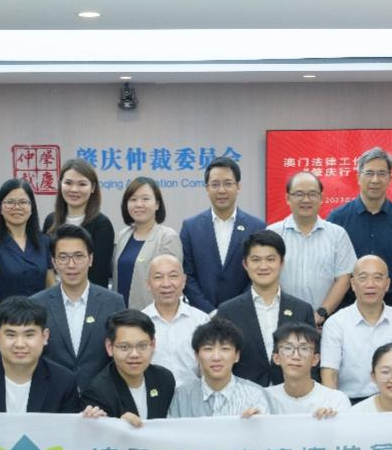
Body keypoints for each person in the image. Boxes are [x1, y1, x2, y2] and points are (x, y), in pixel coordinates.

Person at [320, 256, 392, 403]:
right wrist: (333, 409)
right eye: (363, 278)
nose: (370, 284)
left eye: (377, 278)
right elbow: (330, 373)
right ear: (353, 284)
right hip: (351, 404)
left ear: (387, 284)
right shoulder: (335, 323)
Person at [30, 225, 127, 393]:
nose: (71, 264)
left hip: (101, 396)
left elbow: (120, 353)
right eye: (63, 257)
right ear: (54, 262)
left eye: (78, 256)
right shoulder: (36, 304)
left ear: (91, 259)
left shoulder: (113, 302)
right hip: (53, 396)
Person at [0, 297, 81, 415]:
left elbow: (69, 431)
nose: (20, 344)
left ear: (45, 336)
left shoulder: (63, 381)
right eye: (11, 335)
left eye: (29, 335)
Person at [215, 230, 315, 387]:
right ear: (245, 264)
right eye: (256, 260)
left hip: (292, 394)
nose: (263, 266)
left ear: (281, 263)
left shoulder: (302, 310)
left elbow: (311, 361)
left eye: (270, 259)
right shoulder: (227, 311)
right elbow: (220, 359)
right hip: (243, 395)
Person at [326, 147, 392, 308]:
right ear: (358, 177)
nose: (375, 180)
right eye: (369, 173)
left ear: (390, 178)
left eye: (381, 174)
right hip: (346, 308)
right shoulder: (337, 218)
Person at [266, 171, 356, 326]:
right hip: (280, 322)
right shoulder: (273, 233)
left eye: (312, 194)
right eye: (299, 194)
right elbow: (265, 277)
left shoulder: (337, 234)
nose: (306, 200)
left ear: (321, 198)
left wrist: (321, 313)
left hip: (326, 323)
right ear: (288, 198)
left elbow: (343, 279)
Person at [179, 156, 266, 311]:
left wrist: (234, 310)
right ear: (207, 188)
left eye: (227, 183)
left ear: (238, 186)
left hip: (244, 314)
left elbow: (259, 274)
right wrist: (210, 312)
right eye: (215, 184)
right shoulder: (190, 227)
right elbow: (187, 275)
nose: (221, 190)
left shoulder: (256, 227)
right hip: (201, 315)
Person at [81, 309, 177, 425]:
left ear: (153, 345)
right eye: (124, 347)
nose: (134, 354)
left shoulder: (164, 379)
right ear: (110, 347)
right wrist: (119, 425)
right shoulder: (98, 392)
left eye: (142, 346)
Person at [167, 318, 271, 418]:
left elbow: (267, 429)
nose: (216, 357)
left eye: (225, 349)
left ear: (236, 355)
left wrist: (257, 423)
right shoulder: (182, 395)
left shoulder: (255, 394)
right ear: (197, 356)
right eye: (208, 349)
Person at [0, 179, 54, 312]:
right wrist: (1, 321)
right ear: (0, 208)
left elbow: (51, 285)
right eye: (10, 202)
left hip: (40, 317)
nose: (17, 207)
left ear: (31, 208)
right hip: (7, 319)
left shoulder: (43, 241)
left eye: (23, 202)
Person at [42, 159, 116, 289]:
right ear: (60, 185)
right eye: (68, 183)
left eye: (82, 184)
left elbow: (99, 275)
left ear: (93, 188)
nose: (74, 189)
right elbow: (45, 265)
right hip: (53, 295)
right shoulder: (50, 220)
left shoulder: (102, 225)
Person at [112, 176, 182, 309]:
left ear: (157, 204)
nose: (139, 204)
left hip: (152, 315)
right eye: (133, 199)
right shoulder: (123, 235)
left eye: (145, 199)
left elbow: (173, 284)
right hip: (120, 314)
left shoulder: (167, 237)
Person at [141, 254, 211, 386]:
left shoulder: (201, 320)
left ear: (184, 281)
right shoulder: (139, 323)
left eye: (173, 276)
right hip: (152, 395)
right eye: (158, 277)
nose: (166, 284)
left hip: (194, 396)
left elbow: (209, 366)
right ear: (148, 284)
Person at [265, 322, 350, 418]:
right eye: (288, 348)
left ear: (315, 359)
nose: (296, 356)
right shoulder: (263, 399)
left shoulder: (335, 401)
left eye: (304, 349)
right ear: (276, 358)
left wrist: (329, 423)